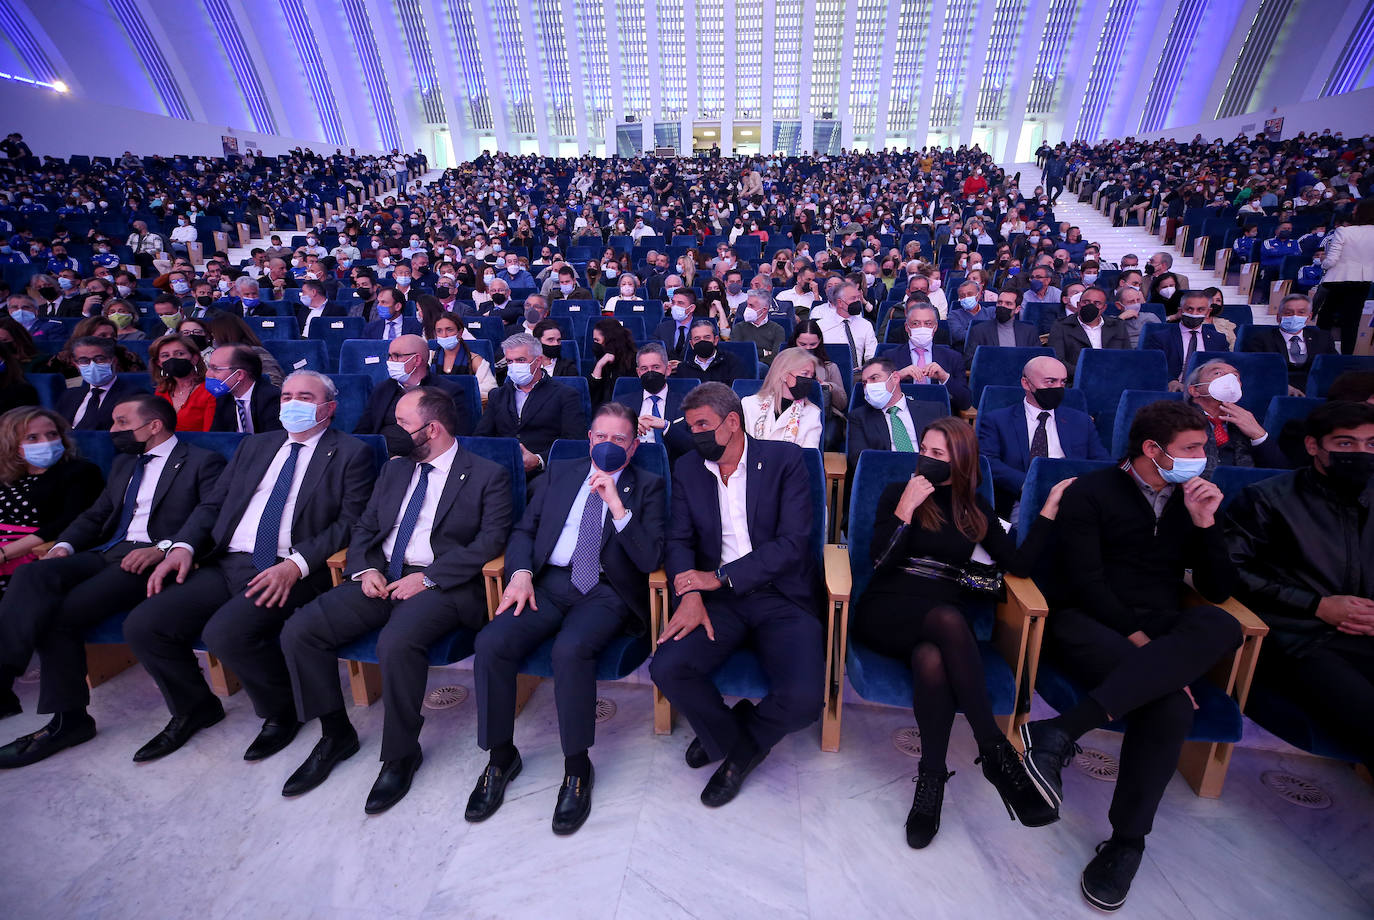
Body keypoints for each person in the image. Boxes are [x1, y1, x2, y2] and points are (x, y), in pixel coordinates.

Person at [1019, 400, 1243, 912]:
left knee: (1222, 623)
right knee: (1171, 705)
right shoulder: (1092, 493)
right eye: (1191, 450)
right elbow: (1085, 583)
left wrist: (1206, 524)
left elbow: (1219, 588)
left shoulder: (1194, 500)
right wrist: (1149, 649)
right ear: (1152, 449)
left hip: (1163, 629)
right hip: (1087, 623)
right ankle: (1129, 842)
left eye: (1203, 449)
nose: (1201, 459)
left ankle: (1061, 731)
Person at [277, 387, 513, 813]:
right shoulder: (395, 469)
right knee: (300, 631)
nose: (393, 432)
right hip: (380, 576)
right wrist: (365, 568)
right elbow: (366, 526)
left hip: (442, 585)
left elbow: (490, 542)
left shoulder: (486, 474)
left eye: (402, 424)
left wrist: (429, 579)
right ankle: (335, 733)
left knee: (396, 643)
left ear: (432, 428)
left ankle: (401, 754)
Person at [122, 372, 374, 763]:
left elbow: (350, 522)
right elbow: (213, 504)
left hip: (289, 565)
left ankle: (282, 711)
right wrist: (183, 545)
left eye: (305, 396)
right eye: (286, 395)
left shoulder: (351, 453)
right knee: (145, 624)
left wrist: (295, 565)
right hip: (227, 560)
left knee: (226, 633)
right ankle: (194, 707)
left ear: (329, 408)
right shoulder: (255, 446)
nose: (292, 403)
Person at [855, 418, 1070, 847]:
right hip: (888, 606)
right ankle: (993, 746)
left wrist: (1046, 512)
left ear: (961, 460)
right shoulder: (899, 492)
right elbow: (879, 559)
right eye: (925, 451)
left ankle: (930, 782)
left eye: (938, 455)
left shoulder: (975, 509)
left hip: (937, 616)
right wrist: (906, 508)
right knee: (949, 621)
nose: (926, 460)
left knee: (932, 660)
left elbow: (1019, 566)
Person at [466, 403, 666, 834]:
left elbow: (650, 558)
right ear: (589, 439)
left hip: (606, 592)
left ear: (633, 446)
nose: (607, 445)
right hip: (550, 584)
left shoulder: (647, 486)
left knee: (571, 651)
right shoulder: (561, 473)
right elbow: (523, 530)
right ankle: (500, 758)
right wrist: (519, 574)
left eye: (619, 439)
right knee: (491, 643)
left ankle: (577, 768)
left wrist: (617, 506)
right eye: (600, 437)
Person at [0, 395, 227, 767]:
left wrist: (164, 547)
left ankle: (69, 720)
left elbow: (211, 515)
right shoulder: (125, 463)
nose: (113, 430)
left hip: (150, 559)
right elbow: (97, 514)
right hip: (107, 550)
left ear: (153, 425)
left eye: (122, 422)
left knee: (59, 614)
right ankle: (8, 671)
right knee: (33, 572)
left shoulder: (201, 461)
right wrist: (64, 546)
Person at [648, 383, 825, 807]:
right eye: (690, 427)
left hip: (780, 595)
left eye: (703, 425)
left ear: (732, 422)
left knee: (803, 702)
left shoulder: (785, 460)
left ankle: (739, 752)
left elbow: (793, 543)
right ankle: (733, 735)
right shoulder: (690, 467)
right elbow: (678, 539)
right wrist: (689, 592)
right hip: (717, 601)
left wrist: (720, 576)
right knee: (668, 668)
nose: (696, 435)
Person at [1225, 400, 1374, 772]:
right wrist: (1316, 605)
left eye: (1372, 444)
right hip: (1298, 638)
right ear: (1313, 446)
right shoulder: (1268, 499)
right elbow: (1229, 573)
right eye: (1345, 444)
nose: (1361, 453)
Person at [978, 356, 1108, 518]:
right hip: (1022, 500)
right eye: (1050, 382)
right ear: (1026, 383)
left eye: (1062, 382)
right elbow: (988, 462)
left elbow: (1101, 463)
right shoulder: (997, 420)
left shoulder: (1081, 421)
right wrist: (1030, 483)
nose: (1058, 388)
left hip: (1074, 500)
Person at [0, 408, 103, 605]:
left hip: (37, 552)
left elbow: (70, 521)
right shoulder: (7, 474)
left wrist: (4, 554)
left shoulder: (81, 472)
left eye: (52, 434)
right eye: (32, 437)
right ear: (12, 444)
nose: (46, 442)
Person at [474, 333, 586, 478]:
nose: (514, 366)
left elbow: (574, 443)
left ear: (538, 361)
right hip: (501, 470)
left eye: (520, 360)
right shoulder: (498, 395)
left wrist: (539, 460)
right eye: (509, 361)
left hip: (545, 474)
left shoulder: (565, 395)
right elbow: (480, 438)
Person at [846, 357, 949, 472]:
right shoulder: (859, 417)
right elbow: (859, 460)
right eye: (865, 383)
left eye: (874, 378)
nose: (868, 386)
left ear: (895, 378)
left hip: (930, 476)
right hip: (886, 477)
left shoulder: (934, 410)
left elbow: (951, 450)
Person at [353, 334, 468, 437]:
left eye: (396, 356)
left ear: (417, 360)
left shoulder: (448, 392)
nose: (390, 361)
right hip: (383, 454)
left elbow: (457, 437)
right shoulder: (382, 389)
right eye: (389, 356)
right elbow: (363, 432)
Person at [1181, 360, 1285, 471]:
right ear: (1195, 390)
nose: (1230, 379)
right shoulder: (1177, 420)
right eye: (1218, 373)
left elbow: (1281, 473)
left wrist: (1259, 435)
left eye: (1235, 375)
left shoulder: (1246, 420)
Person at [876, 304, 972, 413]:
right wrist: (897, 376)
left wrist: (944, 377)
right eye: (916, 323)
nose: (922, 328)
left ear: (935, 328)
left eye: (928, 323)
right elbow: (877, 398)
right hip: (901, 416)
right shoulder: (888, 357)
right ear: (907, 327)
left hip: (939, 419)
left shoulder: (953, 357)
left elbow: (965, 403)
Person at [1240, 294, 1337, 393]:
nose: (1295, 316)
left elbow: (1333, 366)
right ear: (1278, 317)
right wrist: (1283, 387)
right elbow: (1255, 369)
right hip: (1276, 388)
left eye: (1301, 313)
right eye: (1288, 313)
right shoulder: (1261, 339)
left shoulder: (1323, 338)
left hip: (1316, 389)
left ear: (1309, 317)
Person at [1317, 198, 1374, 353]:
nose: (1353, 212)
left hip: (1339, 279)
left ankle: (1321, 353)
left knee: (1325, 318)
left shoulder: (1344, 231)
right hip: (1363, 281)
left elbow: (1332, 260)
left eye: (1356, 209)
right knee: (1352, 321)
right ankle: (1347, 356)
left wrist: (1323, 263)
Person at [739, 347, 823, 449]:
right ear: (784, 375)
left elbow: (809, 457)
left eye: (811, 376)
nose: (809, 380)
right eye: (804, 374)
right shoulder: (748, 404)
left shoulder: (812, 414)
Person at [1048, 286, 1129, 380]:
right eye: (1086, 302)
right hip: (1076, 380)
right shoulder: (1062, 326)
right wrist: (1087, 373)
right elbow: (1058, 360)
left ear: (1104, 308)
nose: (1090, 306)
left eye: (1097, 303)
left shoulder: (1117, 326)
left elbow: (1127, 357)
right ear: (1078, 305)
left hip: (1113, 379)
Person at [1148, 290, 1229, 381]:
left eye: (1200, 310)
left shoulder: (1219, 339)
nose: (1194, 314)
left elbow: (1224, 368)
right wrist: (1170, 381)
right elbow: (1153, 366)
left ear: (1208, 312)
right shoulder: (1160, 338)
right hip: (1173, 388)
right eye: (1189, 309)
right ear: (1180, 311)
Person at [206, 344, 282, 434]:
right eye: (209, 367)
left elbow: (272, 440)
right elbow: (217, 438)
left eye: (216, 369)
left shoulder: (272, 398)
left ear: (240, 375)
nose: (208, 374)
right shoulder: (222, 399)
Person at [149, 333, 217, 432]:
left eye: (180, 354)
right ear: (159, 363)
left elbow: (210, 436)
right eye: (165, 356)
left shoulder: (210, 391)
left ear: (194, 358)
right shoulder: (161, 391)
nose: (172, 359)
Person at [430, 313, 497, 401]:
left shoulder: (475, 360)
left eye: (449, 330)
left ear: (460, 333)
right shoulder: (430, 357)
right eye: (439, 331)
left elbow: (490, 389)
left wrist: (457, 394)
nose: (444, 335)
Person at [964, 288, 1040, 357]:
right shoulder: (979, 330)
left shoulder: (1029, 331)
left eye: (1008, 304)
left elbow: (1037, 359)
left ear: (1017, 309)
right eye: (999, 302)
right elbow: (969, 360)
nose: (1002, 306)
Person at [817, 281, 877, 364]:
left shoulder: (865, 325)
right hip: (828, 373)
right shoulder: (821, 326)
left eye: (858, 298)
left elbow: (872, 355)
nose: (857, 301)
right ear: (840, 303)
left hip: (857, 374)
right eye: (853, 298)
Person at [671, 319, 745, 384]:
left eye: (707, 337)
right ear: (691, 344)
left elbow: (738, 391)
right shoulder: (684, 368)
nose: (702, 341)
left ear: (715, 340)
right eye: (697, 339)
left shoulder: (731, 362)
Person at [587, 317, 637, 407]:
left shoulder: (633, 360)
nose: (594, 344)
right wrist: (599, 365)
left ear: (610, 340)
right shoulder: (601, 360)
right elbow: (592, 396)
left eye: (597, 340)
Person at [730, 291, 787, 364]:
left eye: (751, 306)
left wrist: (755, 362)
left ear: (764, 310)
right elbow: (736, 352)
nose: (747, 309)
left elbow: (776, 357)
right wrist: (764, 352)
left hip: (767, 368)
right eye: (747, 305)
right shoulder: (738, 327)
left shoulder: (778, 329)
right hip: (742, 365)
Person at [1112, 285, 1161, 349]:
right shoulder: (1111, 321)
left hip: (1149, 351)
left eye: (1138, 300)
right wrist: (1120, 319)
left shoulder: (1151, 317)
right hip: (1126, 353)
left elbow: (1163, 339)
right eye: (1131, 301)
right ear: (1119, 305)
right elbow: (1108, 341)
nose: (1136, 304)